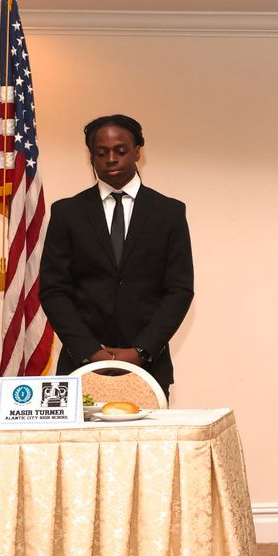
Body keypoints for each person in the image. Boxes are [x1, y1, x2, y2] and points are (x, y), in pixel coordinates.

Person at [39, 114, 195, 395]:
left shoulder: (169, 213)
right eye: (102, 152)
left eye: (120, 151)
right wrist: (89, 351)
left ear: (138, 152)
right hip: (80, 365)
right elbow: (54, 290)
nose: (111, 159)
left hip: (149, 367)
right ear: (91, 157)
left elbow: (179, 290)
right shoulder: (67, 213)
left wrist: (140, 351)